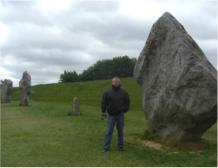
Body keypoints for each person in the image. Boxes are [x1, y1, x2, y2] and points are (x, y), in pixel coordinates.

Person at [101, 76, 130, 152]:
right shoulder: (107, 93)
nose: (116, 83)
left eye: (117, 81)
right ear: (112, 82)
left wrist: (124, 110)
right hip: (111, 115)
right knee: (109, 132)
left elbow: (127, 102)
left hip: (120, 115)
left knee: (120, 132)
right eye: (114, 81)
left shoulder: (124, 93)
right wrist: (103, 111)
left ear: (119, 82)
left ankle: (120, 146)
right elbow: (104, 102)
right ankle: (106, 147)